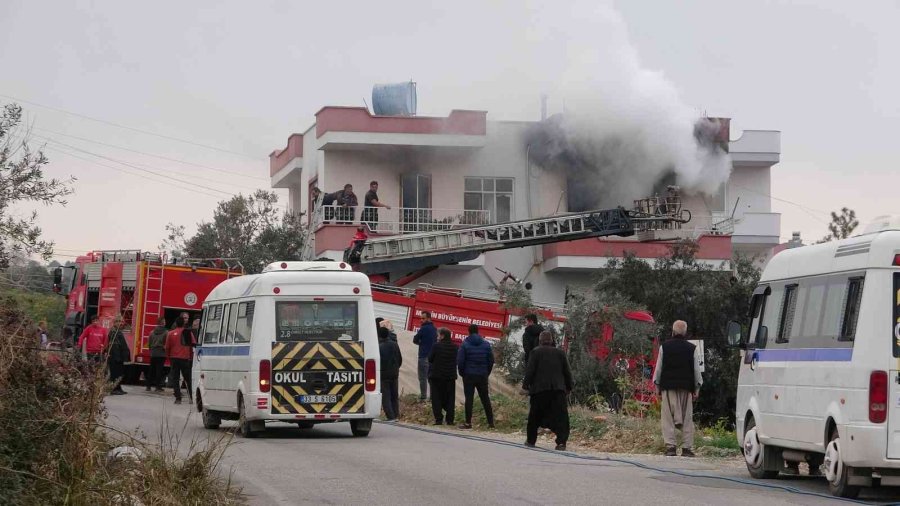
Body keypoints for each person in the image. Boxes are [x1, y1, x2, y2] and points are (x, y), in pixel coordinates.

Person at [653, 320, 703, 457]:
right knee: (687, 419)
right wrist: (697, 389)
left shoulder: (665, 347)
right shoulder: (692, 348)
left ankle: (671, 447)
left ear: (673, 331)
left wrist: (657, 386)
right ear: (685, 332)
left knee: (668, 418)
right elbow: (696, 371)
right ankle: (687, 448)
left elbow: (659, 368)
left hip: (668, 387)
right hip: (686, 388)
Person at [523, 330, 573, 450]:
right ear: (551, 341)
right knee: (561, 417)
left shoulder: (535, 352)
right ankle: (561, 442)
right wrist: (569, 386)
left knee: (534, 417)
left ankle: (531, 440)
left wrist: (525, 385)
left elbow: (530, 371)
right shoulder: (560, 353)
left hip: (539, 390)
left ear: (540, 341)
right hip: (557, 390)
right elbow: (567, 371)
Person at [457, 324, 495, 429]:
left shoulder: (465, 344)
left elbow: (460, 361)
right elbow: (491, 361)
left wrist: (462, 373)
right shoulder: (486, 344)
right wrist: (487, 372)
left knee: (469, 399)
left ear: (468, 332)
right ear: (478, 331)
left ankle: (468, 423)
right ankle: (491, 423)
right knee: (485, 398)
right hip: (482, 375)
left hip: (468, 375)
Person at [428, 327, 459, 425]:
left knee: (436, 398)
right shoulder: (455, 347)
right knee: (450, 399)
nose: (437, 337)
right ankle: (450, 420)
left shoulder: (436, 346)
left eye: (438, 335)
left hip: (437, 376)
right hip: (450, 377)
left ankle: (438, 419)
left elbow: (430, 359)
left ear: (442, 336)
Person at [166, 316, 195, 405]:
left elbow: (167, 347)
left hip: (174, 358)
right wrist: (191, 357)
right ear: (184, 323)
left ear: (176, 323)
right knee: (187, 379)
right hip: (185, 358)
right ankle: (190, 397)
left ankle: (178, 398)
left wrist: (169, 357)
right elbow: (193, 344)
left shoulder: (170, 333)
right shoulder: (188, 333)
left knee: (175, 378)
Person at [378, 326, 402, 421]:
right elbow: (399, 359)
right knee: (394, 395)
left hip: (384, 374)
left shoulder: (379, 346)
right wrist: (396, 368)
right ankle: (396, 415)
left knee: (386, 396)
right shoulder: (395, 344)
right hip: (394, 373)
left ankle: (390, 416)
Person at [413, 311, 437, 401]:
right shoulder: (435, 329)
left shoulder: (423, 329)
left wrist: (421, 343)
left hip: (423, 356)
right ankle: (432, 398)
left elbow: (415, 339)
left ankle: (423, 397)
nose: (421, 320)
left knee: (422, 378)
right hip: (432, 358)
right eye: (421, 318)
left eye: (423, 318)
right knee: (430, 378)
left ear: (428, 318)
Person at [107, 316, 130, 395]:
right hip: (115, 357)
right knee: (115, 373)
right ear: (115, 322)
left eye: (121, 321)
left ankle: (118, 388)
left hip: (119, 356)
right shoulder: (113, 332)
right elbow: (114, 346)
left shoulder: (118, 331)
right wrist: (117, 357)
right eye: (119, 321)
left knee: (119, 373)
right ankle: (114, 389)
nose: (121, 323)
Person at [147, 317, 168, 392]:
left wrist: (151, 350)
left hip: (153, 352)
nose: (165, 322)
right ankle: (157, 387)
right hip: (161, 353)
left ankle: (148, 386)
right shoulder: (166, 332)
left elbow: (149, 343)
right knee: (159, 370)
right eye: (164, 321)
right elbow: (166, 344)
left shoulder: (152, 332)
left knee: (151, 370)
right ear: (163, 323)